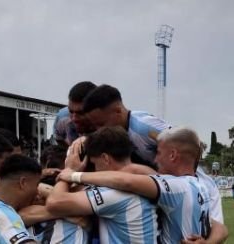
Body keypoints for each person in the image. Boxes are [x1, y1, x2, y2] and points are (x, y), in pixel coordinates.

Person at [79, 84, 225, 227]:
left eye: (101, 123)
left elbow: (188, 143)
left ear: (117, 111)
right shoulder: (122, 135)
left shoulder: (143, 127)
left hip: (194, 189)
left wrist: (190, 181)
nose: (99, 129)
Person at [59, 127, 228, 244]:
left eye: (158, 153)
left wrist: (72, 174)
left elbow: (127, 180)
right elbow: (221, 228)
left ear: (172, 155)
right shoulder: (200, 186)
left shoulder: (176, 187)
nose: (155, 159)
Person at [46, 126, 160, 243]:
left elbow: (55, 202)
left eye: (94, 164)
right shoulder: (146, 182)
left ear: (105, 158)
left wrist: (68, 171)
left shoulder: (117, 193)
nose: (95, 171)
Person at [52, 81, 97, 146]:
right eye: (71, 111)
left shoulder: (109, 130)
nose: (74, 118)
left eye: (81, 113)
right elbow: (59, 139)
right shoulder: (62, 119)